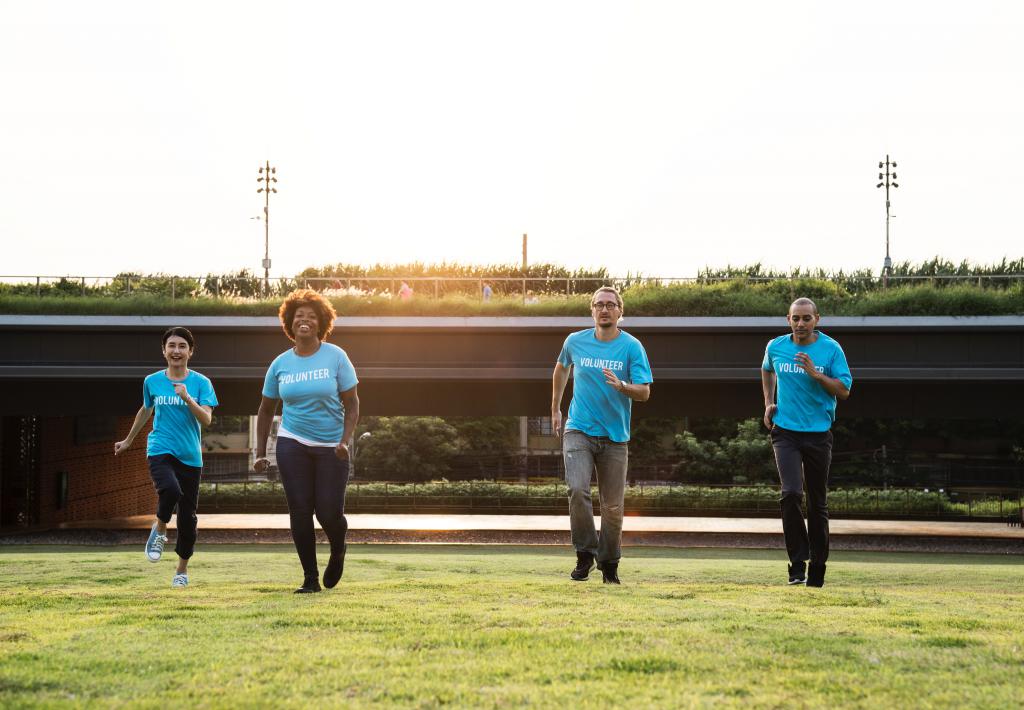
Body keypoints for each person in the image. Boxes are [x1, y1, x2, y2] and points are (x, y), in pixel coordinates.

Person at [254, 289, 360, 593]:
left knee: (328, 513)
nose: (304, 320)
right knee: (300, 510)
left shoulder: (336, 357)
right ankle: (310, 578)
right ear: (290, 322)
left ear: (321, 322)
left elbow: (352, 404)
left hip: (331, 446)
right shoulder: (280, 364)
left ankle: (338, 548)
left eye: (312, 316)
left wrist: (344, 440)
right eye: (299, 315)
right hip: (292, 442)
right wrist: (260, 452)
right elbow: (265, 409)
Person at [551, 286, 652, 584]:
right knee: (578, 489)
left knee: (612, 505)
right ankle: (585, 554)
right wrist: (555, 408)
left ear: (620, 311)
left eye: (610, 305)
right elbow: (560, 369)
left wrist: (622, 387)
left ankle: (609, 564)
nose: (604, 309)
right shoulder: (575, 341)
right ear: (592, 310)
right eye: (599, 305)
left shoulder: (632, 347)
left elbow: (645, 392)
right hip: (578, 428)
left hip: (615, 438)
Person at [114, 327, 218, 588]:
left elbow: (206, 419)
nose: (176, 351)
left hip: (191, 457)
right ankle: (159, 529)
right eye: (171, 346)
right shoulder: (152, 381)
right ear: (164, 350)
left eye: (182, 346)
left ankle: (181, 571)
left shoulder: (201, 383)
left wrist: (187, 398)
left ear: (190, 352)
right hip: (160, 448)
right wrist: (128, 440)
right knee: (169, 490)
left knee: (187, 518)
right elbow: (145, 410)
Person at [762, 297, 852, 588]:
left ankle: (818, 567)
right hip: (785, 431)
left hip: (818, 434)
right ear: (788, 319)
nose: (800, 324)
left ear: (817, 320)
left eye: (806, 319)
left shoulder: (831, 349)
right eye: (795, 318)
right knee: (790, 493)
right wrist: (768, 402)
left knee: (817, 502)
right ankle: (797, 564)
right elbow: (767, 370)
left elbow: (844, 390)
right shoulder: (776, 346)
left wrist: (816, 374)